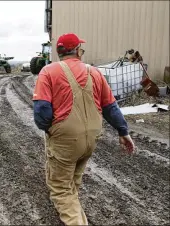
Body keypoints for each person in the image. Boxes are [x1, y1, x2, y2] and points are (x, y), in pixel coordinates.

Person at [32, 33, 135, 225]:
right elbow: (110, 107)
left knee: (60, 187)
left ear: (59, 51)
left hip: (66, 139)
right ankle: (73, 205)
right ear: (78, 51)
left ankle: (74, 217)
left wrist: (50, 129)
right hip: (92, 138)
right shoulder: (95, 72)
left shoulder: (48, 72)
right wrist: (123, 132)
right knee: (74, 176)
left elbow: (42, 112)